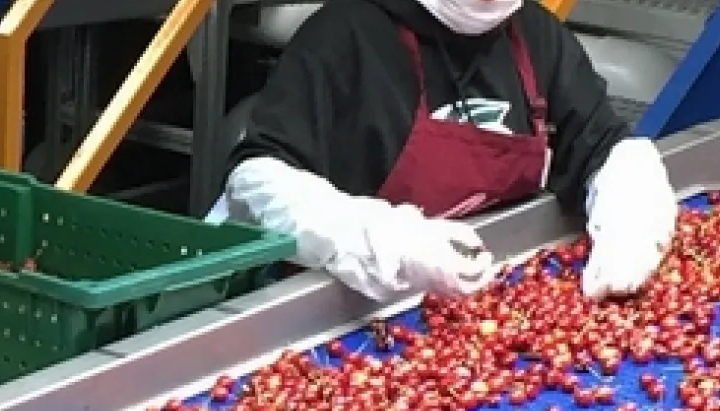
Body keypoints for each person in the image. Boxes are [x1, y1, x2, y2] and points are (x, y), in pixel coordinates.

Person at [212, 0, 677, 300]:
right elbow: (256, 182)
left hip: (473, 304)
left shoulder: (531, 34)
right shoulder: (347, 35)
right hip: (338, 312)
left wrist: (630, 216)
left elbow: (602, 146)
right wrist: (384, 240)